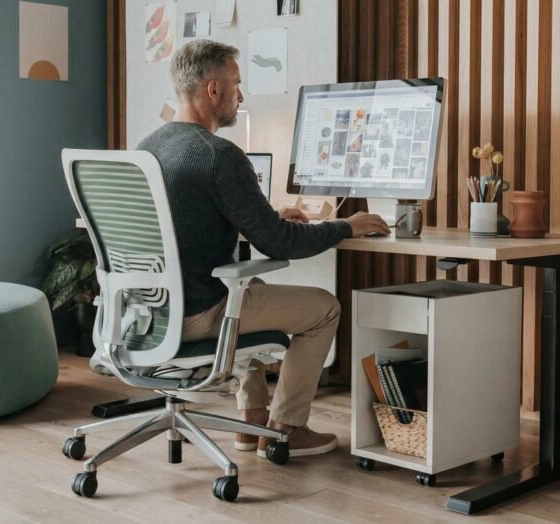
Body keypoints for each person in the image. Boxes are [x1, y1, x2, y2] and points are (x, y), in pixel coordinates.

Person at [137, 39, 389, 458]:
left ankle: (251, 423)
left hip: (150, 312)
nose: (240, 96)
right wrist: (347, 225)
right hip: (199, 313)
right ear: (213, 90)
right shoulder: (219, 155)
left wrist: (266, 217)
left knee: (246, 286)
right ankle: (289, 428)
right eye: (236, 85)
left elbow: (188, 226)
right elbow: (279, 242)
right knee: (324, 308)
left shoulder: (148, 148)